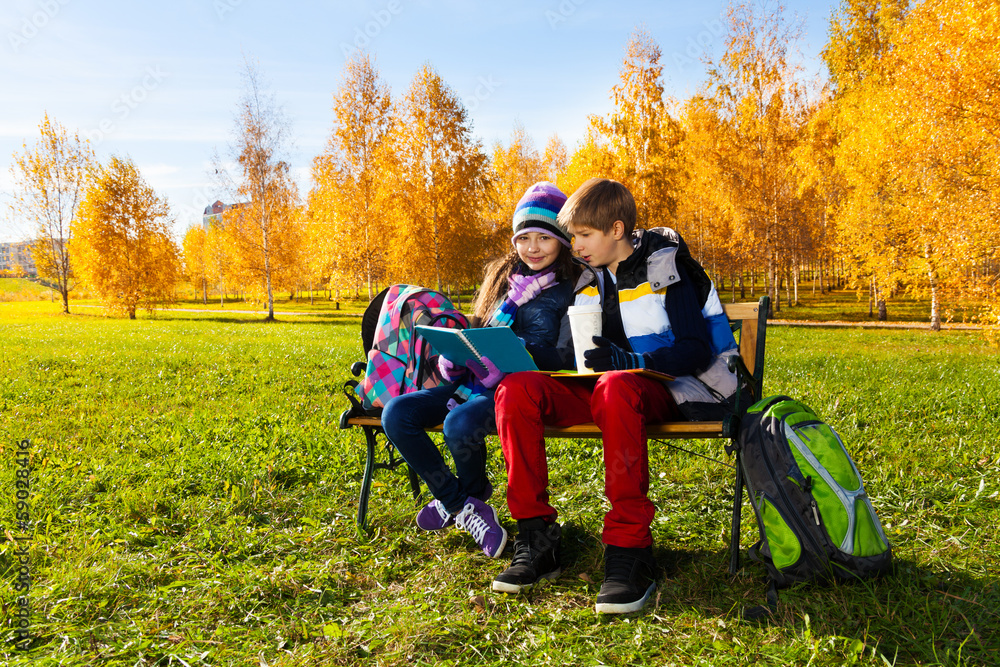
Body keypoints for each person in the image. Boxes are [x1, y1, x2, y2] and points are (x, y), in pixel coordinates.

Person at [491, 178, 741, 614]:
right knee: (517, 390)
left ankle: (630, 549)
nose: (576, 246)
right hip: (610, 391)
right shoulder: (588, 280)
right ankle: (537, 536)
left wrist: (629, 357)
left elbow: (695, 349)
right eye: (573, 237)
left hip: (679, 388)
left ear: (617, 229)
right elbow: (572, 358)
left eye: (584, 235)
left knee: (617, 384)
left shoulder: (668, 266)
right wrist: (516, 349)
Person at [381, 182, 578, 559]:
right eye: (524, 238)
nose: (532, 248)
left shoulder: (570, 287)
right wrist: (453, 358)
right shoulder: (505, 283)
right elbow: (479, 332)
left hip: (516, 390)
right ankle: (463, 503)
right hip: (471, 382)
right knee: (397, 413)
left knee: (459, 425)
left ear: (563, 240)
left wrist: (514, 354)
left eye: (544, 238)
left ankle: (461, 500)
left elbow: (565, 355)